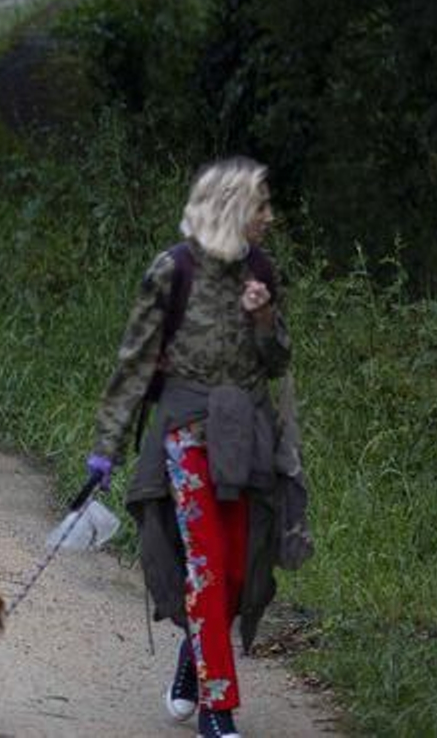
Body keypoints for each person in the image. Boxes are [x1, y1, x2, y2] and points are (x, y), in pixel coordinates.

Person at [85, 158, 312, 738]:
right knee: (206, 562)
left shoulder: (263, 269)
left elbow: (278, 361)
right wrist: (104, 451)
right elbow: (134, 363)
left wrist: (264, 319)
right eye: (261, 205)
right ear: (234, 208)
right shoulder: (172, 270)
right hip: (185, 433)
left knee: (236, 572)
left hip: (247, 437)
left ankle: (195, 657)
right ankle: (218, 706)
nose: (269, 216)